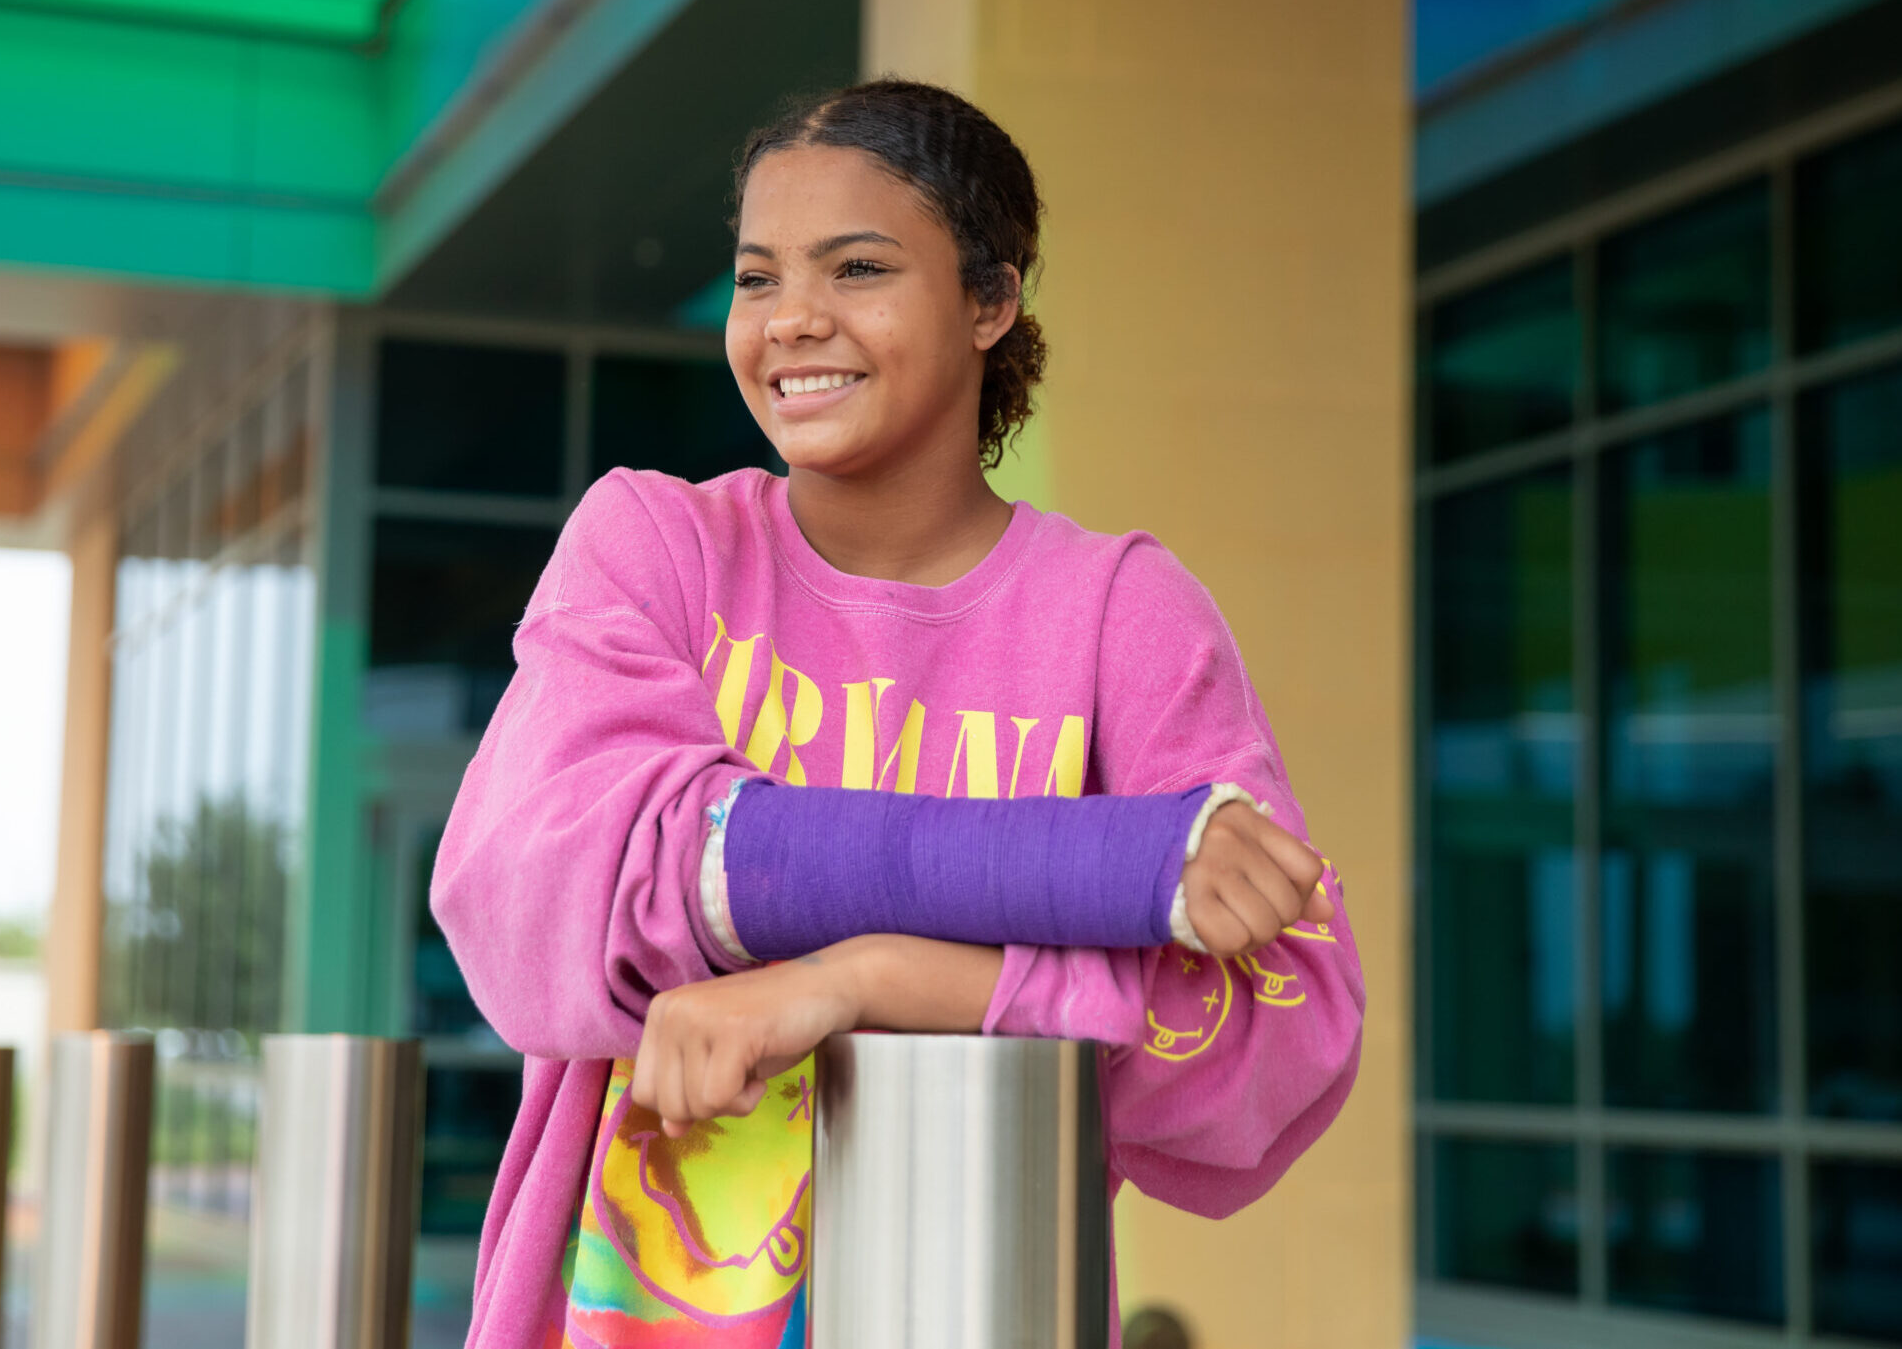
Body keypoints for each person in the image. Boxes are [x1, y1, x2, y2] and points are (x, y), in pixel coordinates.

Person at [433, 79, 1364, 1349]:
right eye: (756, 279)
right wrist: (1107, 877)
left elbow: (1278, 1033)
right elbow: (536, 886)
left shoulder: (1120, 612)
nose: (791, 321)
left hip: (980, 1305)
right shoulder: (655, 543)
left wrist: (859, 977)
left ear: (990, 299)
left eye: (857, 267)